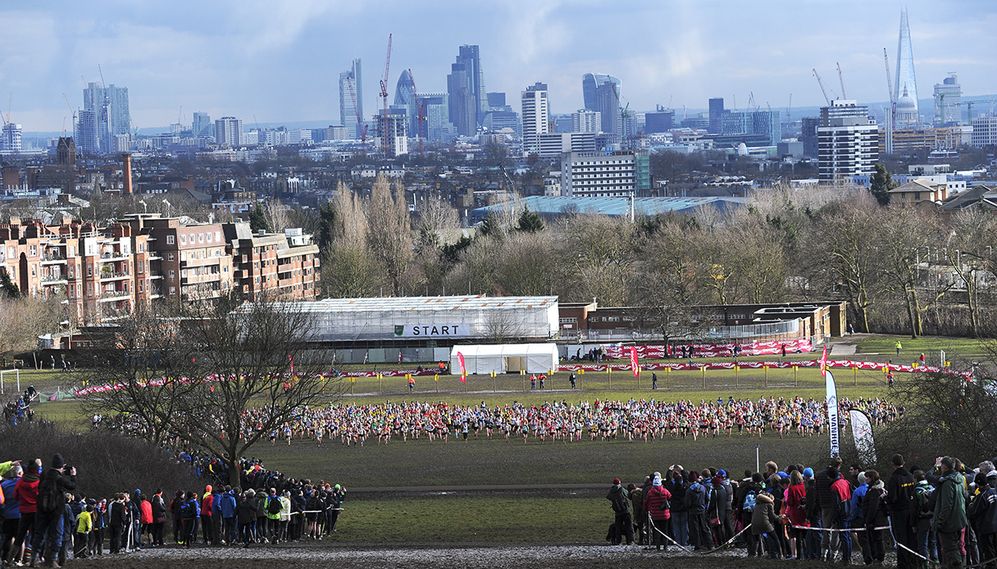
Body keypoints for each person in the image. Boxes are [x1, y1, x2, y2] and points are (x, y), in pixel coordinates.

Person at [34, 453, 76, 567]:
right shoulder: (59, 479)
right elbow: (72, 486)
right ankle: (51, 559)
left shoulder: (44, 475)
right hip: (56, 510)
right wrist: (73, 475)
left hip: (42, 509)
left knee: (40, 534)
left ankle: (34, 558)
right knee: (57, 535)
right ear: (61, 466)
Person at [933, 456, 968, 569]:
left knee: (951, 552)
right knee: (958, 548)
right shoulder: (959, 478)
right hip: (960, 519)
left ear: (944, 467)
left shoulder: (947, 482)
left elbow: (946, 505)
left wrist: (939, 522)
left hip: (949, 523)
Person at [886, 454, 917, 569]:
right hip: (911, 510)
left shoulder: (894, 478)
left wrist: (885, 498)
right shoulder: (910, 476)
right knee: (912, 538)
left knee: (901, 538)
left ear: (893, 464)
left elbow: (892, 498)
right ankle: (913, 561)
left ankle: (903, 563)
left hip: (898, 512)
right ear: (903, 462)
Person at [968, 471, 997, 569]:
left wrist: (971, 503)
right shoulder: (994, 492)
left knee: (989, 553)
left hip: (986, 528)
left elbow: (973, 512)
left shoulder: (982, 496)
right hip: (995, 526)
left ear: (978, 484)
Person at [863, 469, 889, 564]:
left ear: (871, 478)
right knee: (876, 539)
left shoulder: (875, 491)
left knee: (877, 540)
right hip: (877, 519)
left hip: (875, 520)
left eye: (867, 477)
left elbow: (873, 508)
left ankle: (878, 559)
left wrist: (868, 520)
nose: (865, 479)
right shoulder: (875, 490)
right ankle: (878, 558)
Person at [643, 472, 672, 551]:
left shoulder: (650, 493)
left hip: (655, 515)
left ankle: (658, 547)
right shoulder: (665, 491)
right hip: (665, 515)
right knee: (665, 531)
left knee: (657, 531)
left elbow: (646, 503)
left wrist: (647, 510)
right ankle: (665, 546)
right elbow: (670, 497)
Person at [751, 490, 780, 559]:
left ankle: (756, 555)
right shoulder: (769, 505)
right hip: (765, 523)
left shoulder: (757, 504)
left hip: (754, 524)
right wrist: (780, 517)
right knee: (775, 538)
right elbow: (772, 516)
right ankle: (780, 554)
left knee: (757, 540)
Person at [607, 478, 634, 546]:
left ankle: (618, 541)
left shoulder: (611, 491)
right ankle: (631, 541)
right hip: (625, 511)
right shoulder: (621, 489)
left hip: (617, 512)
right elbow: (628, 495)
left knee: (618, 527)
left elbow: (608, 497)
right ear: (619, 483)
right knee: (629, 526)